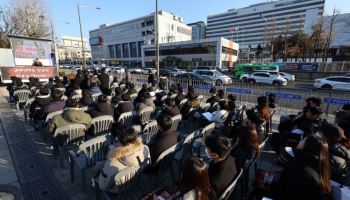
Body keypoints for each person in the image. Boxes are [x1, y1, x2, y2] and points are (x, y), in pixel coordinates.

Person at [272, 136, 332, 200]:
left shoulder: (303, 171)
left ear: (307, 146)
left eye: (302, 140)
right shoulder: (318, 166)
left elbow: (289, 193)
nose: (300, 142)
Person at [97, 126, 150, 193]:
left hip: (119, 188)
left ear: (120, 142)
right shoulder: (145, 148)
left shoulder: (112, 163)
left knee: (99, 166)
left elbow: (102, 186)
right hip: (135, 179)